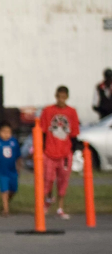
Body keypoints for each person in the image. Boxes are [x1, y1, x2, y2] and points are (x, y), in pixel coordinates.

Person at [39, 86, 79, 220]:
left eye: (63, 97)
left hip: (65, 152)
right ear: (55, 96)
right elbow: (42, 131)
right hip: (49, 151)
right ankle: (48, 199)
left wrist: (72, 151)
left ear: (67, 97)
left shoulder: (72, 112)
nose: (61, 100)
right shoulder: (48, 110)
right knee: (48, 179)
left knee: (63, 181)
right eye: (59, 97)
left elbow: (74, 134)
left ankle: (60, 207)